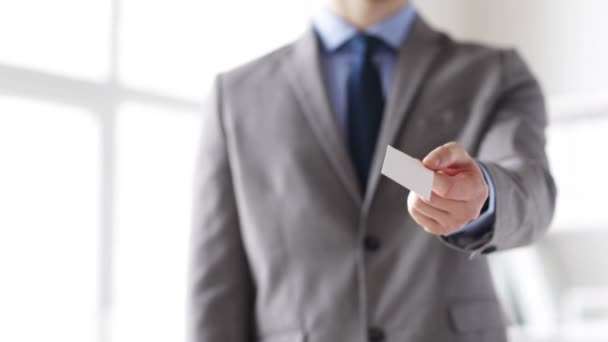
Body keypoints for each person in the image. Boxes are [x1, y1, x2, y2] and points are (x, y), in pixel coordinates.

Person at [189, 0, 556, 341]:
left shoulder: (495, 73)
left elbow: (532, 192)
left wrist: (485, 196)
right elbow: (216, 286)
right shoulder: (236, 96)